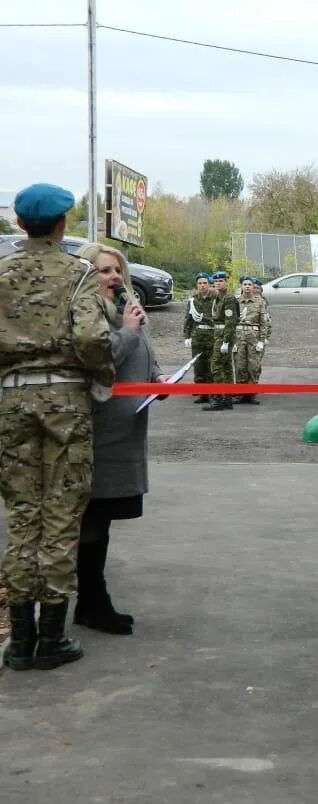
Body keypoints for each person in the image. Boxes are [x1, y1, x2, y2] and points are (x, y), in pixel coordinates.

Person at [0, 183, 115, 670]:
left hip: (10, 400)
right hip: (64, 400)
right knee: (62, 515)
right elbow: (91, 336)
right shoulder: (77, 274)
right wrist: (102, 375)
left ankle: (19, 642)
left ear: (20, 223)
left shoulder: (1, 273)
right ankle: (52, 638)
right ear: (63, 223)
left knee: (22, 514)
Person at [73, 243, 166, 634]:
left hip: (124, 429)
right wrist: (128, 331)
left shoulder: (123, 311)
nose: (114, 277)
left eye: (117, 270)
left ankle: (91, 602)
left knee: (103, 518)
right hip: (99, 430)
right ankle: (94, 602)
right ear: (86, 275)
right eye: (104, 270)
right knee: (91, 517)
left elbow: (144, 348)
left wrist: (159, 378)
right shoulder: (86, 315)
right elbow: (101, 354)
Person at [203, 270, 238, 411]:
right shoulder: (218, 297)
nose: (218, 283)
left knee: (216, 366)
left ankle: (218, 400)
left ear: (226, 282)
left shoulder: (228, 298)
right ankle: (228, 399)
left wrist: (226, 341)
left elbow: (230, 321)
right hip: (219, 334)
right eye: (216, 281)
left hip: (224, 335)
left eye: (221, 281)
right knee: (227, 367)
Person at [233, 278, 270, 404]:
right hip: (238, 336)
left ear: (253, 287)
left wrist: (262, 340)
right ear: (241, 286)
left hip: (253, 337)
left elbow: (264, 322)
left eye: (250, 285)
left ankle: (251, 394)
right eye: (245, 284)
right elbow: (230, 321)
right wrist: (230, 340)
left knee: (253, 366)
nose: (247, 287)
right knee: (239, 365)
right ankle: (240, 393)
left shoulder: (260, 302)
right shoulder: (235, 301)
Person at [183, 272, 216, 404]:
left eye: (205, 283)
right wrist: (187, 336)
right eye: (200, 283)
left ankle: (211, 393)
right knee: (198, 365)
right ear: (197, 285)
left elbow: (218, 318)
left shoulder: (215, 299)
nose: (202, 286)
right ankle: (202, 393)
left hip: (211, 335)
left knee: (211, 365)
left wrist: (205, 319)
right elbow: (188, 319)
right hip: (197, 336)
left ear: (209, 284)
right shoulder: (193, 300)